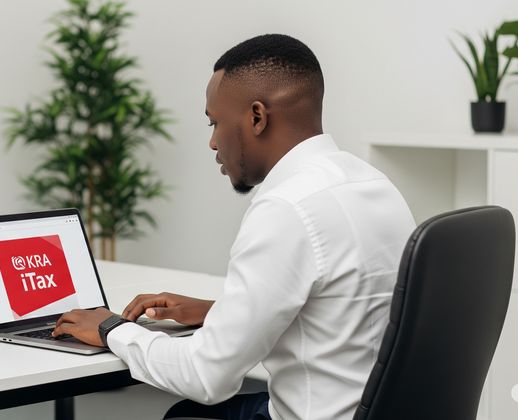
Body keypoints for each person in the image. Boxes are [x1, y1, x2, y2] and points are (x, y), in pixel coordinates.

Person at [53, 34, 416, 420]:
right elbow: (345, 310)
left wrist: (112, 329)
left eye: (215, 123)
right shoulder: (373, 183)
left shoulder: (286, 208)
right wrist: (221, 312)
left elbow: (206, 377)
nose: (212, 142)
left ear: (257, 117)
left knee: (187, 414)